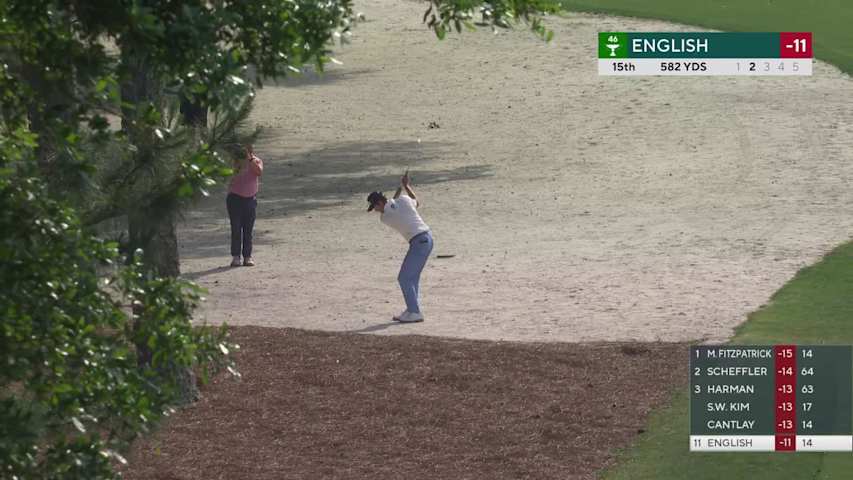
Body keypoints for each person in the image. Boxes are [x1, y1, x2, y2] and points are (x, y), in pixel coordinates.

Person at [367, 172, 434, 323]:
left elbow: (391, 206)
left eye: (374, 207)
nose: (375, 210)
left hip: (419, 242)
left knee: (404, 278)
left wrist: (400, 190)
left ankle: (414, 312)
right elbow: (416, 201)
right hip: (427, 239)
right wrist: (406, 186)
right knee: (412, 278)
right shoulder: (404, 200)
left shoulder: (385, 218)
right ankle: (412, 309)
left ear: (379, 203)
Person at [227, 144, 263, 267]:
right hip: (235, 199)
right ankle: (236, 256)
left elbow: (258, 172)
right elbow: (232, 173)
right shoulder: (235, 162)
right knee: (236, 229)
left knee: (248, 230)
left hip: (250, 199)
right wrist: (239, 162)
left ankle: (247, 256)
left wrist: (250, 159)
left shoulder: (256, 161)